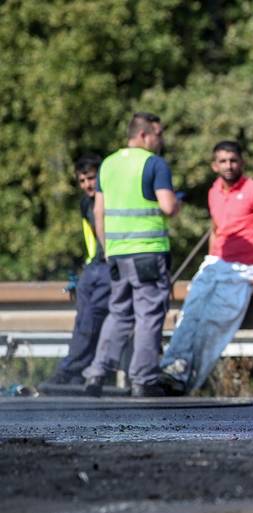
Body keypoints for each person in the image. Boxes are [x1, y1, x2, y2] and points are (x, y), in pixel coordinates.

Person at [158, 140, 253, 395]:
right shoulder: (214, 191)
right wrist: (210, 258)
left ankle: (187, 383)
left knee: (213, 326)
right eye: (223, 161)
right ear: (214, 165)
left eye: (233, 160)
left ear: (242, 163)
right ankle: (171, 370)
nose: (228, 166)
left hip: (242, 268)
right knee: (189, 316)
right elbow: (215, 230)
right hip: (214, 264)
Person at [83, 112, 181, 397]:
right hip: (148, 253)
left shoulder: (108, 164)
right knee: (149, 314)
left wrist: (107, 249)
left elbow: (98, 212)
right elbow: (168, 206)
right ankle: (143, 379)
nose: (160, 140)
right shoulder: (154, 163)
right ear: (143, 135)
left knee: (119, 313)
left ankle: (96, 374)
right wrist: (179, 204)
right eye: (158, 134)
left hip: (116, 253)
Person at [40, 154, 111, 387]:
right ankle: (77, 371)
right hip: (93, 267)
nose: (87, 185)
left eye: (91, 178)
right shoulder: (84, 203)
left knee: (90, 319)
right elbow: (90, 237)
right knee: (82, 321)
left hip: (110, 267)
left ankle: (69, 370)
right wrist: (88, 266)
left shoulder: (112, 199)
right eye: (82, 181)